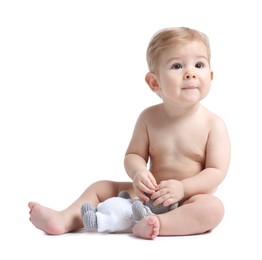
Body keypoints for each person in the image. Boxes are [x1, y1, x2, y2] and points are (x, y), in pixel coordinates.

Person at [28, 27, 231, 240]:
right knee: (102, 187)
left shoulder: (213, 124)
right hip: (148, 196)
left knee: (213, 208)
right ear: (154, 82)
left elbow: (216, 172)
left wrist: (182, 188)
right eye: (177, 66)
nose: (190, 73)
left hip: (187, 200)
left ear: (210, 75)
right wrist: (138, 174)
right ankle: (67, 218)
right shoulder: (149, 118)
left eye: (199, 64)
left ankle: (158, 224)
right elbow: (133, 155)